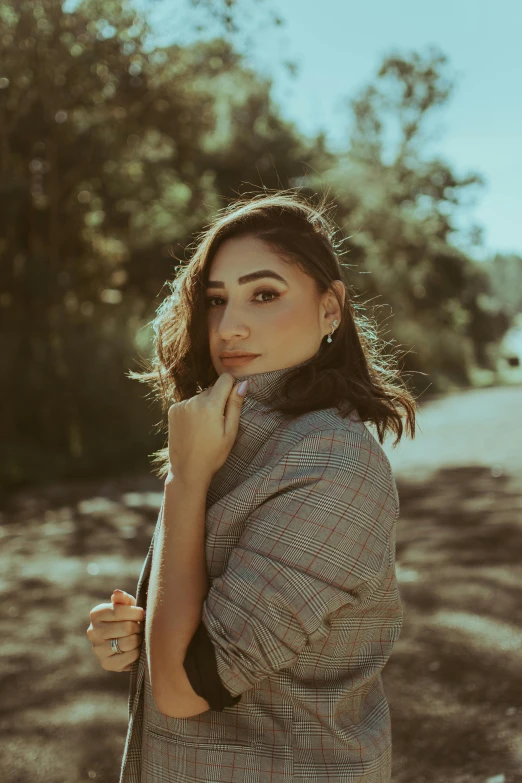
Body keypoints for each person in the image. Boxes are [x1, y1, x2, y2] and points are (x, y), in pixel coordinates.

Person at [87, 190, 417, 782]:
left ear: (330, 309)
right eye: (216, 300)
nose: (229, 326)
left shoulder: (333, 464)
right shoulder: (227, 435)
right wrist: (137, 632)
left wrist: (185, 482)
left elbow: (186, 688)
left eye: (264, 294)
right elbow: (192, 632)